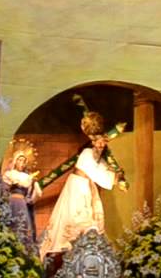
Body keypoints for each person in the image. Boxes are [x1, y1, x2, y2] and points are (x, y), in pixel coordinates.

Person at [38, 110, 125, 260]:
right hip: (78, 189)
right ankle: (70, 251)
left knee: (88, 219)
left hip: (85, 187)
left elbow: (101, 167)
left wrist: (118, 176)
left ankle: (85, 251)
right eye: (99, 144)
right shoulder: (85, 154)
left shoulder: (93, 154)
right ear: (94, 142)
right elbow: (99, 174)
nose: (101, 146)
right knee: (76, 218)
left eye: (103, 144)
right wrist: (116, 179)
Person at [2, 139, 43, 249]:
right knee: (11, 224)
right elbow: (3, 190)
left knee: (23, 226)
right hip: (11, 203)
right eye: (19, 160)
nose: (21, 163)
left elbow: (32, 194)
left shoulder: (27, 177)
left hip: (22, 203)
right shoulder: (9, 174)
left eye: (23, 161)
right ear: (15, 161)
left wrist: (31, 198)